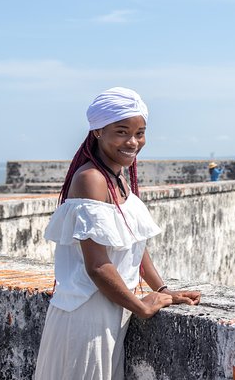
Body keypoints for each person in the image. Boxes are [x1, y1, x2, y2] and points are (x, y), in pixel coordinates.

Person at [34, 87, 201, 380]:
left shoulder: (117, 177)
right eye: (122, 131)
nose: (133, 142)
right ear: (98, 131)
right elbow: (97, 266)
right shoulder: (90, 179)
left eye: (140, 133)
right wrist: (141, 307)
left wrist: (162, 291)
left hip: (111, 312)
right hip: (86, 319)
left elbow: (135, 244)